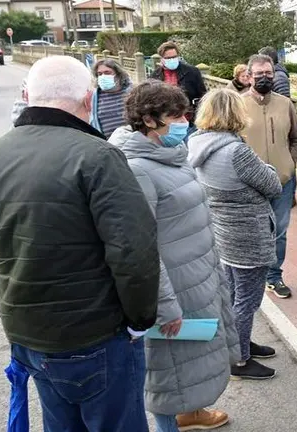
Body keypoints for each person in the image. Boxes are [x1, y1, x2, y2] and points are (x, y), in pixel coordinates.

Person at [0, 56, 160, 431]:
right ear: (88, 98)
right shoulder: (98, 156)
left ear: (27, 95)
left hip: (28, 335)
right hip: (95, 336)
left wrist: (6, 306)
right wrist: (139, 320)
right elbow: (133, 252)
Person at [109, 81, 240, 432]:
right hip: (172, 286)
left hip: (195, 273)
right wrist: (163, 304)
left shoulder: (169, 153)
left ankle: (191, 412)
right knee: (170, 369)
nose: (185, 121)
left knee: (189, 360)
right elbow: (142, 246)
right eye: (176, 116)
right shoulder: (137, 168)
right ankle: (172, 423)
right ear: (149, 120)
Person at [187, 88, 283, 380]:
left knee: (231, 295)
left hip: (224, 232)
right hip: (248, 236)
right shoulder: (236, 151)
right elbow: (273, 184)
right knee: (247, 300)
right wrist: (266, 166)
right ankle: (239, 360)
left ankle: (239, 343)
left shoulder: (197, 142)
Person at [241, 54, 297, 299]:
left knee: (279, 230)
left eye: (269, 73)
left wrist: (290, 162)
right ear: (249, 76)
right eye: (259, 74)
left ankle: (274, 277)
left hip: (282, 181)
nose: (265, 78)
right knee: (255, 231)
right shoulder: (238, 104)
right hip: (250, 183)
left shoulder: (285, 104)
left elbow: (296, 137)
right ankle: (253, 275)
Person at [151, 41, 207, 135]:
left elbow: (203, 95)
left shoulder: (192, 72)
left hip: (189, 122)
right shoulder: (155, 76)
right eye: (168, 58)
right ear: (162, 59)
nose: (172, 60)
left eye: (174, 57)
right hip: (166, 125)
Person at [90, 58, 133, 137]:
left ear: (118, 74)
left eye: (107, 72)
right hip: (107, 144)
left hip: (132, 142)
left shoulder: (132, 93)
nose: (103, 76)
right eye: (100, 74)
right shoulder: (94, 97)